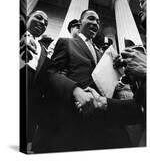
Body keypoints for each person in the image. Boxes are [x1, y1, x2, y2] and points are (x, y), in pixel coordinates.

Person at [32, 9, 133, 153]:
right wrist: (75, 90)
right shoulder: (66, 43)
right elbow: (51, 73)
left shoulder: (103, 54)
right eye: (91, 19)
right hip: (72, 119)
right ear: (80, 23)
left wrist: (117, 68)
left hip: (102, 125)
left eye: (98, 22)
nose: (95, 23)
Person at [20, 10, 49, 153]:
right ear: (27, 18)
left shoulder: (44, 50)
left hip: (33, 97)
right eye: (38, 18)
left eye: (46, 23)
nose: (43, 23)